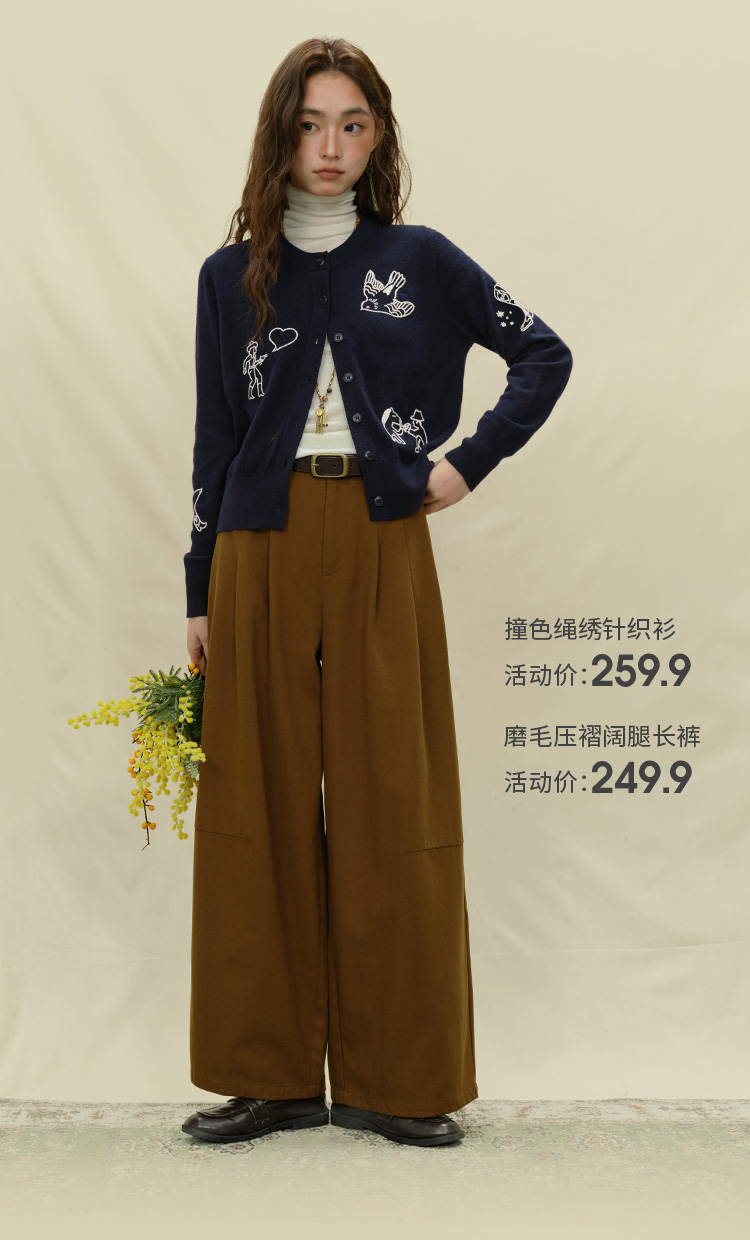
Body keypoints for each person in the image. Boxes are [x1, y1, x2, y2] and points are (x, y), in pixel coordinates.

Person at [181, 37, 573, 1150]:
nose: (331, 146)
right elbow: (214, 436)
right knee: (254, 807)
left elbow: (543, 354)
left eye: (353, 125)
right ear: (280, 134)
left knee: (392, 797)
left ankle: (400, 1078)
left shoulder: (421, 258)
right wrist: (199, 590)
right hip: (257, 546)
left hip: (381, 537)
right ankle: (268, 1078)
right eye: (310, 124)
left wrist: (464, 465)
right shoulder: (229, 276)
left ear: (379, 137)